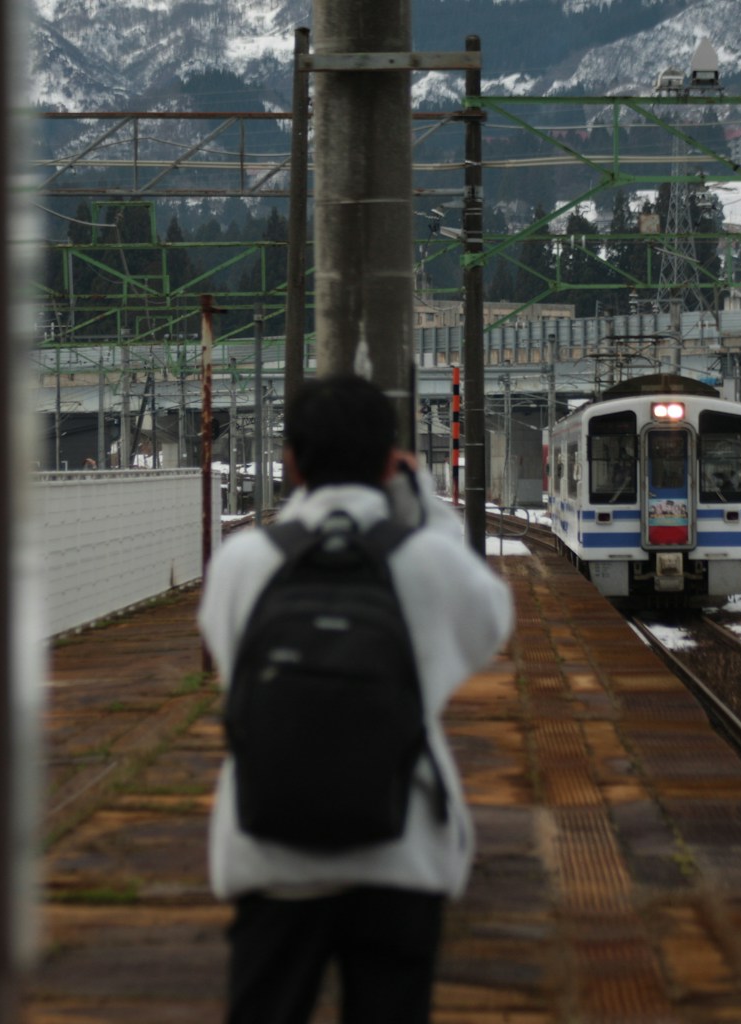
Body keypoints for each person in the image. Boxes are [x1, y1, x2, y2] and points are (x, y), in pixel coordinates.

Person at [198, 374, 515, 1024]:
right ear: (389, 460)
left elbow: (227, 658)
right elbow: (490, 622)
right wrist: (421, 503)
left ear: (291, 461)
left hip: (267, 849)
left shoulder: (242, 562)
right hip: (401, 854)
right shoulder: (427, 560)